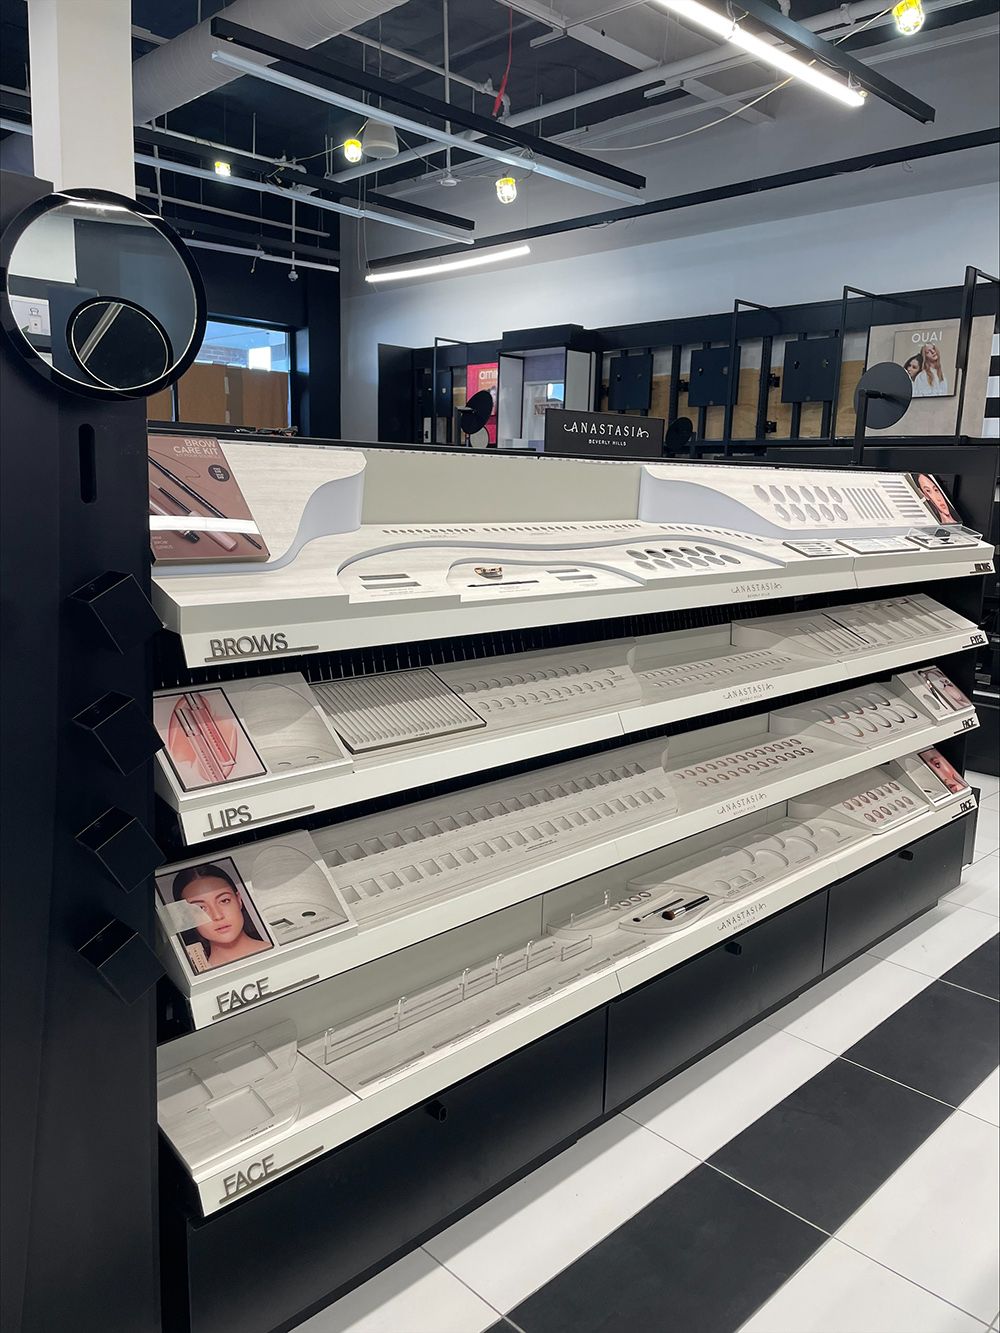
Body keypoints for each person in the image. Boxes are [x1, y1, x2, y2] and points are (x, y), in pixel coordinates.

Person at [170, 862, 271, 973]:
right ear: (188, 917)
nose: (217, 916)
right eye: (200, 908)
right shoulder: (202, 980)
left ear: (239, 900)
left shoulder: (281, 949)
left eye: (224, 901)